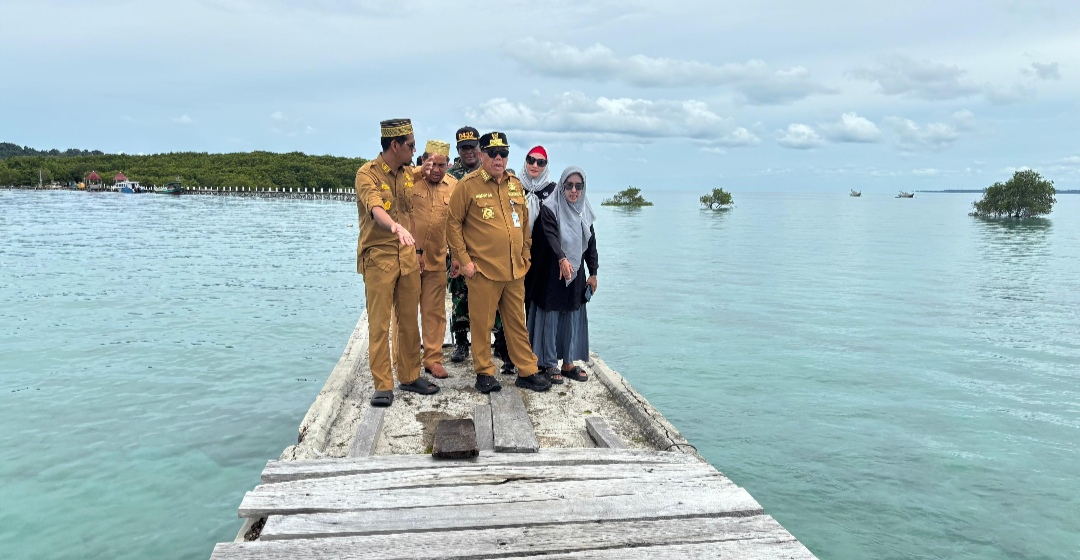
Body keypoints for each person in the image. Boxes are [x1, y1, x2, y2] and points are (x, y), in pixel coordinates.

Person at [446, 131, 550, 394]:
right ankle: (484, 372)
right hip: (483, 271)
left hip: (514, 269)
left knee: (517, 322)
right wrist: (464, 261)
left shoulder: (514, 184)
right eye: (492, 153)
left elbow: (524, 221)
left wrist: (526, 254)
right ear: (481, 155)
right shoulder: (468, 186)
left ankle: (526, 371)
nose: (498, 159)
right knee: (481, 324)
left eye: (503, 153)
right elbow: (453, 225)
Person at [354, 118, 439, 407]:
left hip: (407, 259)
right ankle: (382, 384)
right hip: (379, 258)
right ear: (395, 145)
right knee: (379, 324)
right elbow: (376, 208)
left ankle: (409, 375)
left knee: (408, 322)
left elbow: (416, 175)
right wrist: (394, 227)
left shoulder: (405, 173)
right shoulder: (367, 175)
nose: (415, 150)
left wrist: (426, 168)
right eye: (411, 145)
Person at [445, 126, 514, 374]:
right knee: (460, 297)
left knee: (494, 304)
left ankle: (500, 347)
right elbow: (450, 219)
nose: (469, 152)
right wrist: (455, 255)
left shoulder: (496, 174)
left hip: (487, 253)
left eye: (473, 147)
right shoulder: (452, 176)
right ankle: (462, 344)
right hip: (459, 250)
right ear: (458, 150)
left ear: (480, 150)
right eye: (464, 148)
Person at [526, 166, 598, 384]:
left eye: (578, 186)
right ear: (562, 186)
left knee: (572, 314)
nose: (573, 191)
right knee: (551, 314)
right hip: (552, 272)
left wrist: (593, 273)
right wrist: (561, 258)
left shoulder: (584, 210)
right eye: (569, 185)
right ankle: (548, 363)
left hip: (575, 273)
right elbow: (550, 235)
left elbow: (591, 243)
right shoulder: (551, 207)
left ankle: (568, 364)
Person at [400, 140, 456, 380]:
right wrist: (416, 170)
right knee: (406, 312)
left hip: (437, 260)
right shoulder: (409, 179)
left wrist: (456, 256)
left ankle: (433, 359)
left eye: (441, 165)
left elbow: (457, 223)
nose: (436, 169)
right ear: (423, 161)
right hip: (408, 259)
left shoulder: (454, 186)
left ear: (448, 165)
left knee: (434, 313)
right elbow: (394, 182)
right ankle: (405, 361)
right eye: (431, 163)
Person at [519, 146, 558, 314]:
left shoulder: (554, 191)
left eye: (540, 162)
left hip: (542, 254)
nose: (535, 165)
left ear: (546, 166)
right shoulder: (514, 186)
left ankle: (534, 336)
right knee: (512, 297)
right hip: (516, 251)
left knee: (535, 297)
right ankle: (505, 339)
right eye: (531, 160)